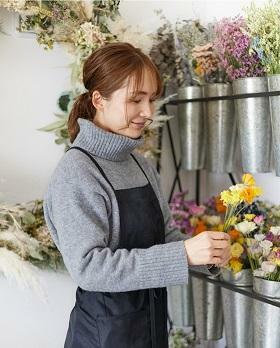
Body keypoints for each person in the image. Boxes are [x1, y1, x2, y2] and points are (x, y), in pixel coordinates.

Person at [43, 42, 231, 348]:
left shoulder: (139, 164)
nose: (147, 112)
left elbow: (165, 235)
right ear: (99, 99)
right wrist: (183, 254)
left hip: (151, 330)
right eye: (135, 100)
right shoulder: (76, 173)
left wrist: (205, 253)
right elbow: (89, 268)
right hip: (104, 338)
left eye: (151, 99)